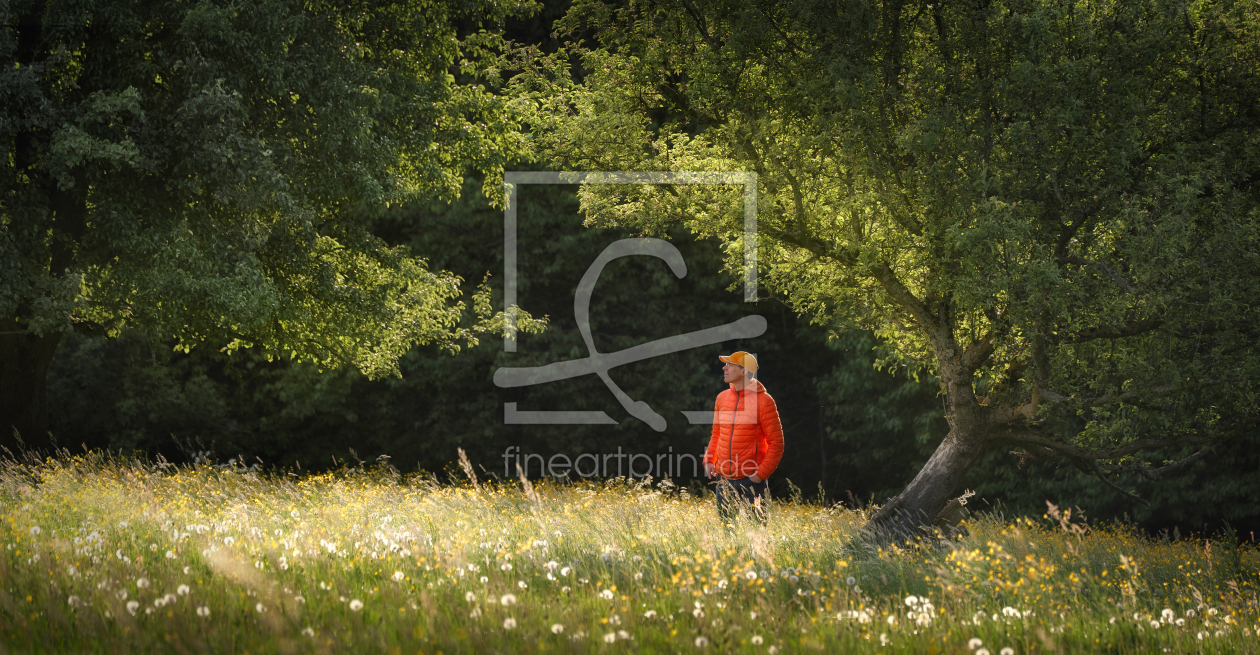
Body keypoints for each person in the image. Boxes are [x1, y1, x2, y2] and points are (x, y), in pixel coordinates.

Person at [704, 351, 784, 524]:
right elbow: (716, 434)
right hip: (723, 479)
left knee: (757, 535)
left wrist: (760, 475)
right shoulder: (721, 398)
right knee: (727, 532)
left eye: (730, 365)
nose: (724, 368)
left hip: (751, 481)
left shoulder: (764, 401)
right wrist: (710, 459)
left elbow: (777, 443)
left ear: (743, 371)